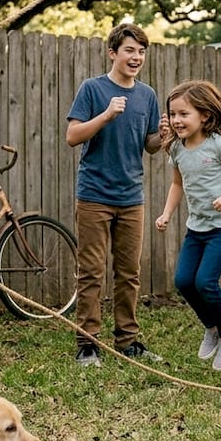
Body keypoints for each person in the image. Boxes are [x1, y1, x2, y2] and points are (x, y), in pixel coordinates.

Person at [67, 22, 170, 367]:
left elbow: (151, 146)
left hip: (131, 197)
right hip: (94, 195)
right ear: (113, 52)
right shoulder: (93, 89)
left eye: (141, 51)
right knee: (92, 271)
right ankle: (88, 344)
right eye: (130, 50)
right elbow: (73, 136)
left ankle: (127, 340)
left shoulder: (148, 95)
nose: (136, 56)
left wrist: (165, 137)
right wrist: (107, 114)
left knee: (129, 273)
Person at [154, 81, 221, 371]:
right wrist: (166, 214)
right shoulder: (176, 148)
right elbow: (177, 183)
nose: (176, 120)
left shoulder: (218, 144)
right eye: (173, 114)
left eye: (184, 114)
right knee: (184, 282)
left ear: (205, 116)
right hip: (197, 228)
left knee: (205, 282)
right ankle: (211, 327)